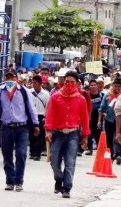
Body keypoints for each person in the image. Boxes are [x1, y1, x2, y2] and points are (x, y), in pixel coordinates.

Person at [0, 71, 39, 192]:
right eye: (7, 76)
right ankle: (10, 180)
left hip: (21, 127)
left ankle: (19, 180)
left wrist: (36, 124)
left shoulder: (23, 90)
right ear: (4, 78)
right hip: (6, 127)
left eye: (12, 77)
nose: (10, 79)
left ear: (16, 78)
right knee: (7, 155)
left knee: (21, 154)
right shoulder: (0, 91)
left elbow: (31, 108)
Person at [45, 71, 90, 199]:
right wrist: (48, 131)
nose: (69, 84)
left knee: (70, 162)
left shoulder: (81, 99)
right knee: (54, 161)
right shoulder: (55, 97)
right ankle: (58, 180)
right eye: (67, 82)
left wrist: (85, 137)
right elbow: (50, 114)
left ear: (77, 83)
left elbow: (85, 119)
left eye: (72, 82)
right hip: (57, 133)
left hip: (73, 134)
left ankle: (67, 188)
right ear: (63, 82)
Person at [98, 78, 121, 165]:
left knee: (118, 137)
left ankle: (118, 155)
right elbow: (101, 109)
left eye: (119, 86)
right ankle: (110, 156)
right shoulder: (107, 96)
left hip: (120, 120)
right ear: (112, 86)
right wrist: (99, 121)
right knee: (108, 139)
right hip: (109, 120)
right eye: (115, 86)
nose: (117, 88)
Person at [29, 75, 49, 161]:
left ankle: (38, 153)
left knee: (40, 136)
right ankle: (32, 152)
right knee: (31, 135)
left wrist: (46, 117)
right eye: (32, 82)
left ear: (40, 83)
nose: (33, 84)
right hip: (31, 116)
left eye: (35, 83)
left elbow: (48, 106)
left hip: (41, 115)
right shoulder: (29, 92)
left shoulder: (46, 94)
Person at [85, 80, 104, 156]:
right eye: (91, 85)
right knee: (89, 134)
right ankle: (90, 149)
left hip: (99, 118)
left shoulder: (101, 95)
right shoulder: (87, 96)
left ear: (97, 86)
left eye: (94, 85)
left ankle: (100, 149)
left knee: (98, 134)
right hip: (89, 117)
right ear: (89, 87)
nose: (93, 86)